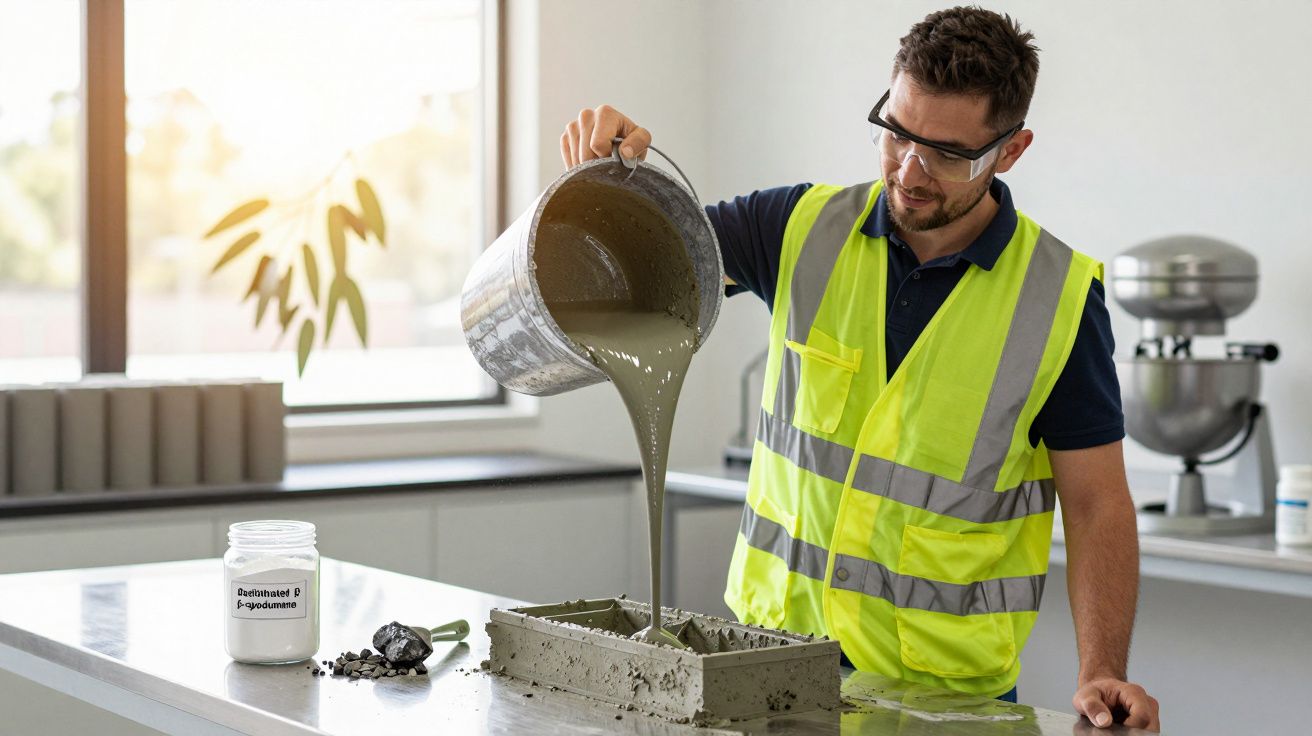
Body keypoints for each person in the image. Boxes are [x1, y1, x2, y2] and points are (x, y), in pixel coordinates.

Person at [560, 6, 1159, 732]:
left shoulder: (1059, 300)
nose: (910, 171)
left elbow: (1098, 504)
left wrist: (1102, 670)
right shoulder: (796, 229)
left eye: (946, 153)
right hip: (764, 672)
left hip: (946, 703)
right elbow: (639, 265)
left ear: (1011, 150)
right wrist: (610, 179)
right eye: (897, 132)